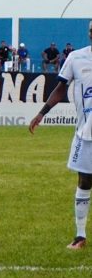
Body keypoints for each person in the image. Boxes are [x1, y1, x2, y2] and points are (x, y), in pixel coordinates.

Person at [29, 21, 92, 250]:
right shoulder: (76, 58)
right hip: (86, 133)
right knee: (85, 181)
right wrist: (41, 113)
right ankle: (80, 235)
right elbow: (60, 88)